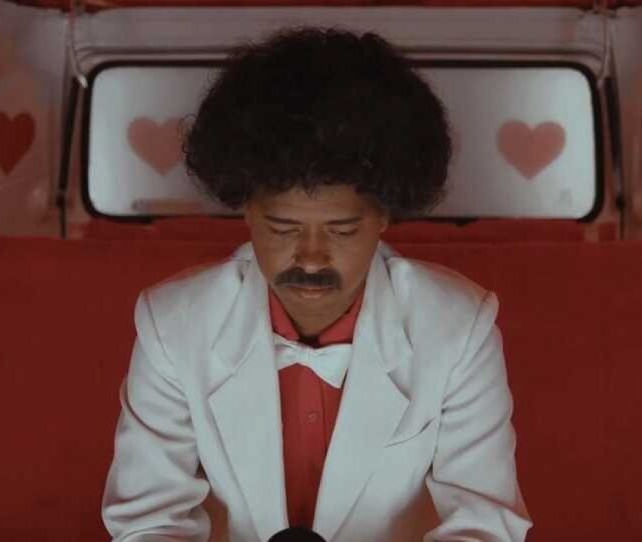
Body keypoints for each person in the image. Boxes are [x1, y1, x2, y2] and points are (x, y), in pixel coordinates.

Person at [102, 26, 532, 541]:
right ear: (246, 210)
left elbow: (484, 525)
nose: (310, 258)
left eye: (342, 230)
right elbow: (149, 521)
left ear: (384, 216)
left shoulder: (460, 327)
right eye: (283, 229)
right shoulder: (171, 324)